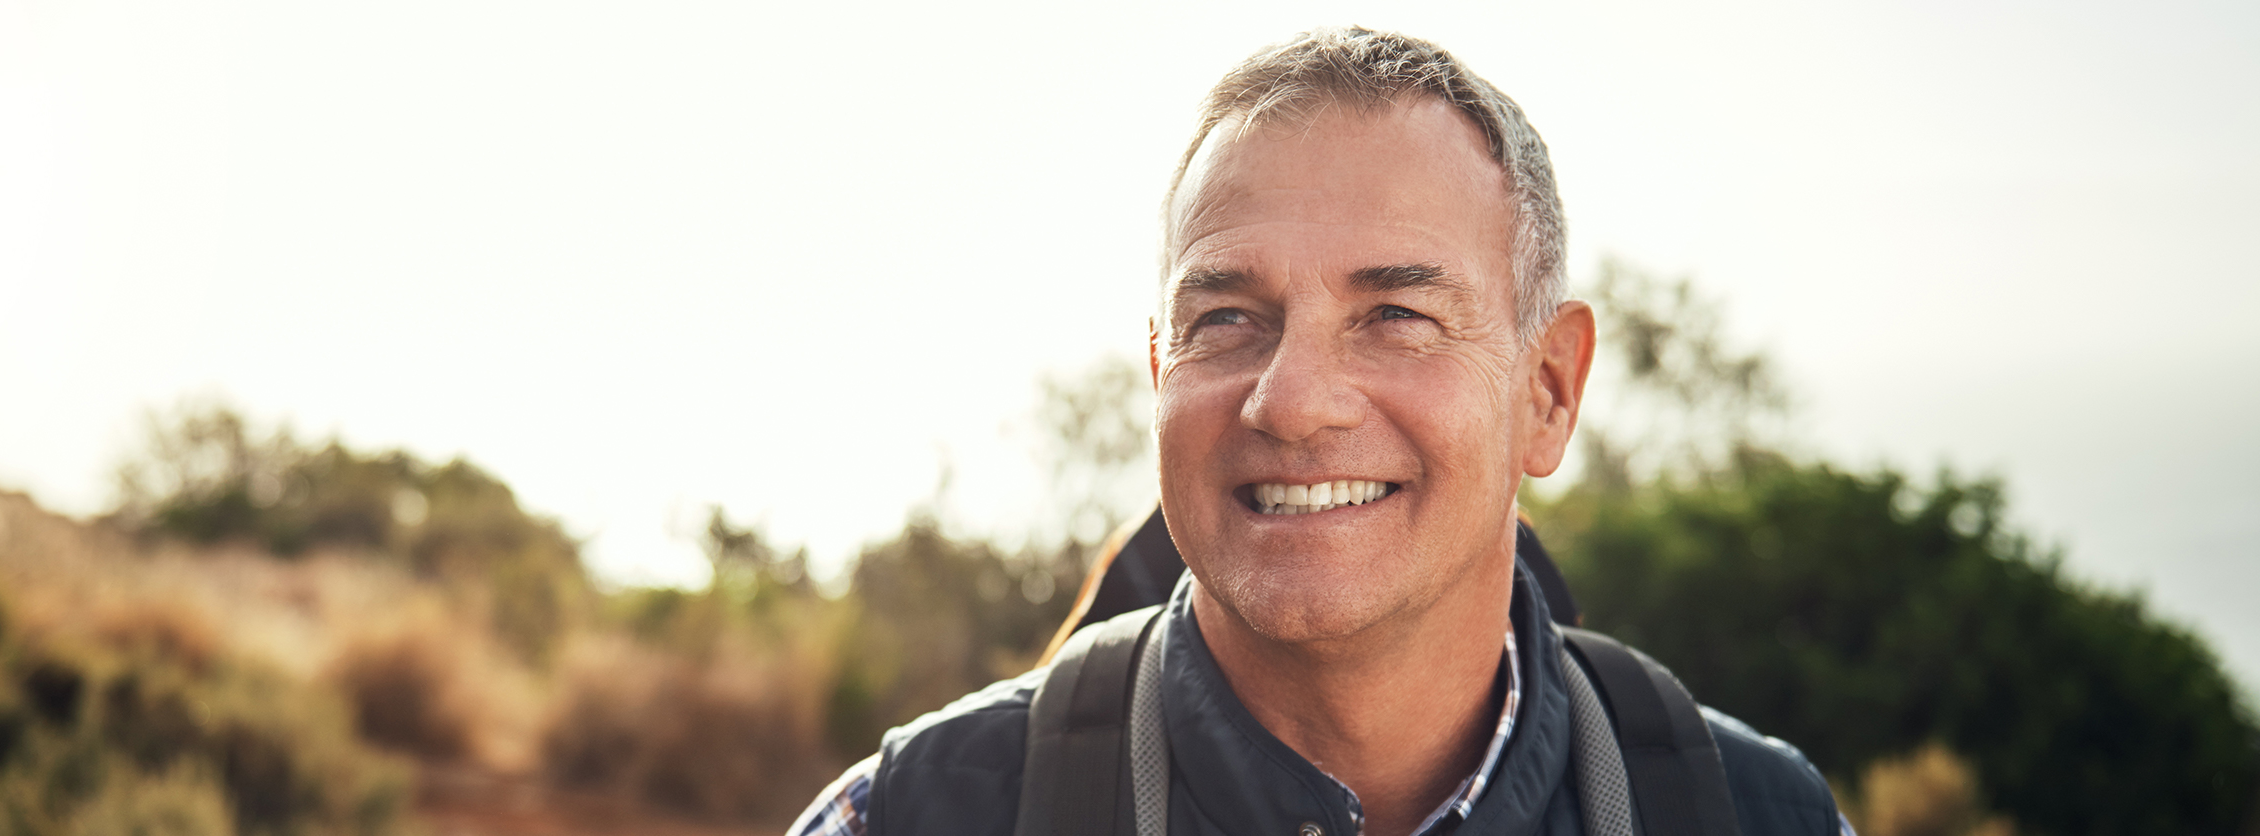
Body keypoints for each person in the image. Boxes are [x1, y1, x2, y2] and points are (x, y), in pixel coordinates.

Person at [791, 26, 1848, 836]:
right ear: (1161, 374)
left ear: (1549, 390)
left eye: (1396, 315)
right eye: (1226, 320)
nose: (1292, 401)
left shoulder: (1759, 815)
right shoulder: (912, 814)